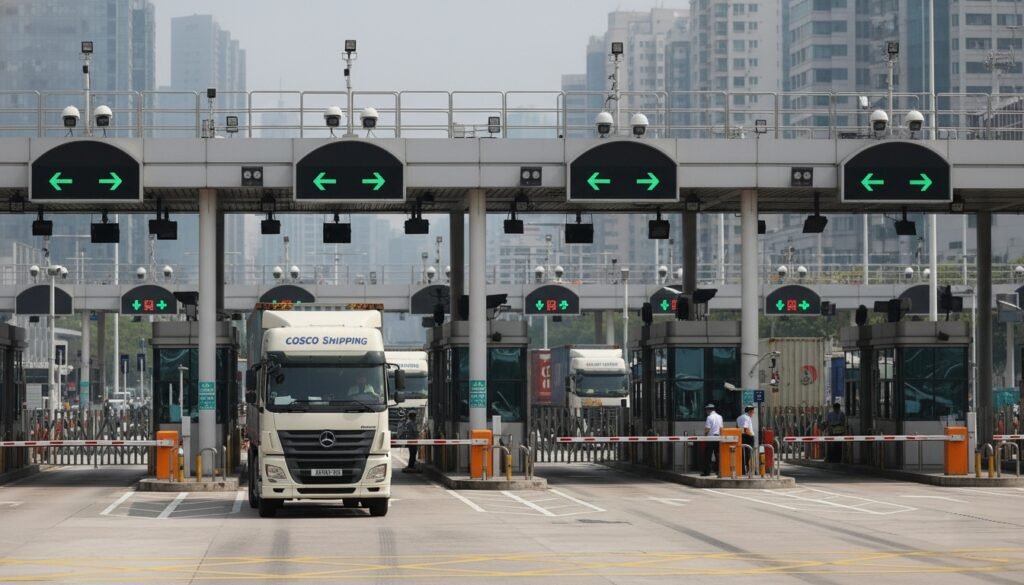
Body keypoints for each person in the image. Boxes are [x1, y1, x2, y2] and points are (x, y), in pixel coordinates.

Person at [702, 403, 723, 476]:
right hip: (718, 437)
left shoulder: (709, 417)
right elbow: (721, 428)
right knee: (718, 455)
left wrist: (704, 435)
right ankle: (719, 471)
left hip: (711, 438)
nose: (706, 412)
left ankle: (707, 472)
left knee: (708, 455)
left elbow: (707, 428)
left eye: (706, 410)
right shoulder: (720, 417)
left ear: (708, 410)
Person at [737, 404, 755, 475]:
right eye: (752, 412)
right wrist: (752, 435)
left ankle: (742, 471)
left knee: (742, 454)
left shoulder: (739, 417)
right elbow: (746, 429)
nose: (753, 414)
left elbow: (737, 428)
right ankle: (749, 471)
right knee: (749, 454)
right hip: (748, 437)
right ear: (750, 411)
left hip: (741, 436)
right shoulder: (747, 418)